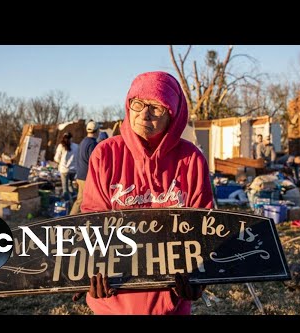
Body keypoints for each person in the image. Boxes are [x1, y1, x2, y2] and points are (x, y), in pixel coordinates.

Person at [74, 71, 214, 315]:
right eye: (137, 103)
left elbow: (204, 226)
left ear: (173, 114)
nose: (143, 113)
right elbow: (93, 220)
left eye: (156, 107)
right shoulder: (106, 154)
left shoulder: (191, 159)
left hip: (171, 301)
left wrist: (201, 277)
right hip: (114, 300)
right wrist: (89, 270)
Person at [70, 120, 100, 215]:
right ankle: (70, 219)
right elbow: (95, 162)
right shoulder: (93, 144)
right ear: (97, 131)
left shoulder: (83, 141)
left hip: (80, 175)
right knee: (82, 200)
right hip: (87, 177)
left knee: (82, 199)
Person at [54, 132, 78, 201]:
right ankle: (75, 200)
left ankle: (67, 203)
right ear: (71, 138)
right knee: (71, 186)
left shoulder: (61, 146)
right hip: (73, 170)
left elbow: (56, 158)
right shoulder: (76, 146)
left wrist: (60, 162)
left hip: (64, 170)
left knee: (65, 189)